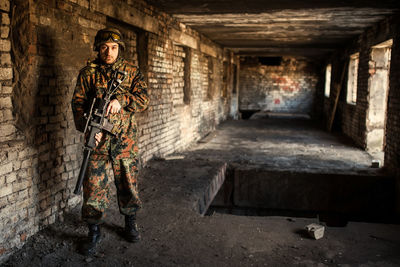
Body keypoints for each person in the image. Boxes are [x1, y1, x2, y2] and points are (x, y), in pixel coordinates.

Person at [71, 28, 149, 255]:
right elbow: (77, 104)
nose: (109, 52)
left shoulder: (131, 71)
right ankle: (93, 231)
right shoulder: (88, 73)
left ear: (119, 48)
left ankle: (130, 223)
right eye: (104, 47)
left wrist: (122, 100)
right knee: (94, 187)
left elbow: (143, 99)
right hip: (98, 143)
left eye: (113, 48)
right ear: (98, 48)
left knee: (128, 184)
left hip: (125, 141)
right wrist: (86, 128)